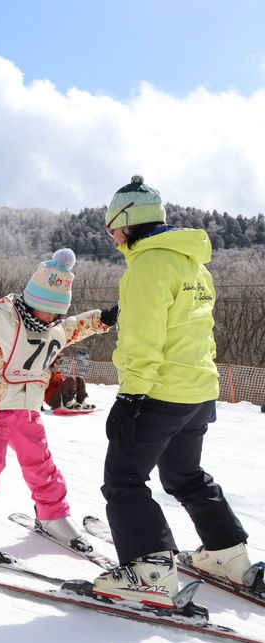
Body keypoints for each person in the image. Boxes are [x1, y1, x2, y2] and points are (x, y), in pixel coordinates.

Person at [92, 176, 261, 607]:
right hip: (198, 392)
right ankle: (228, 554)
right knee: (184, 475)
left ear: (128, 222)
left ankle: (147, 573)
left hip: (160, 394)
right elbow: (199, 332)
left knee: (125, 479)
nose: (111, 235)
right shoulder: (192, 265)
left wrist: (131, 396)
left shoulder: (147, 267)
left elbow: (142, 339)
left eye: (112, 225)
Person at [0, 248, 118, 560]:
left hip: (28, 408)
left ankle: (52, 514)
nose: (50, 317)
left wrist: (103, 319)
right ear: (32, 301)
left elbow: (74, 327)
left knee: (41, 463)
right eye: (46, 309)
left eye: (56, 311)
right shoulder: (4, 318)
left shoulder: (54, 327)